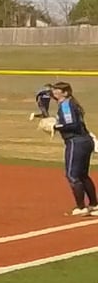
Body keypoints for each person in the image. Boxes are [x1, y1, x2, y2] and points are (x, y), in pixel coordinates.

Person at [47, 82, 96, 215]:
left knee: (72, 175)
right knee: (82, 175)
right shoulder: (69, 103)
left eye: (57, 90)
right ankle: (94, 205)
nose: (54, 92)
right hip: (84, 140)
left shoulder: (66, 105)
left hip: (76, 142)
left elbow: (72, 125)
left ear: (65, 93)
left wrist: (55, 126)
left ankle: (81, 207)